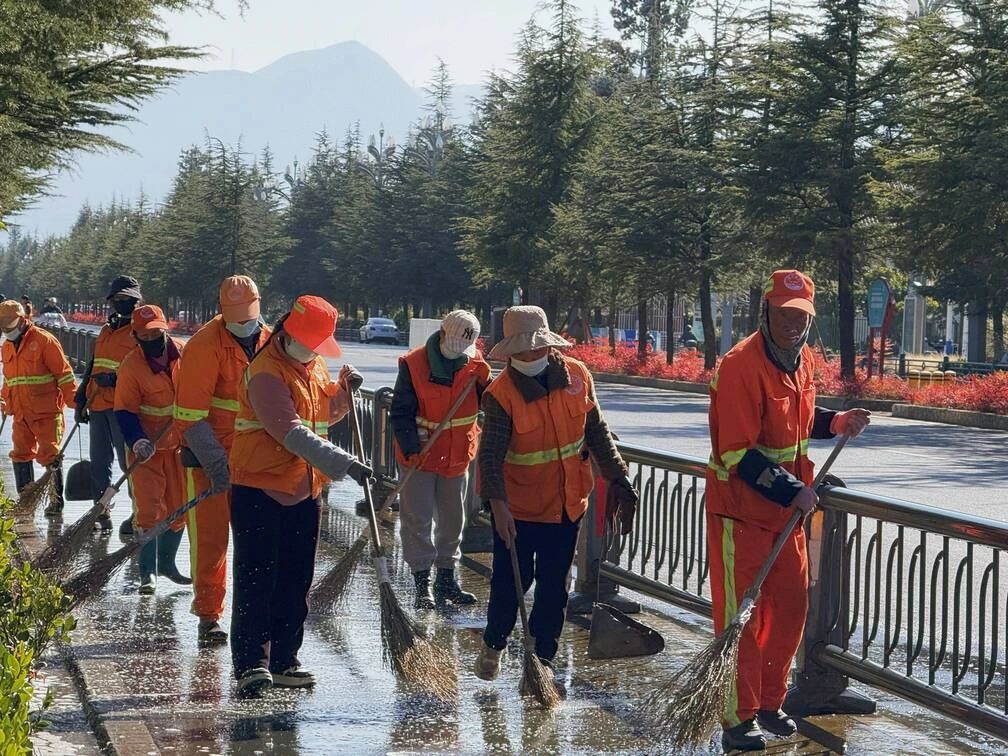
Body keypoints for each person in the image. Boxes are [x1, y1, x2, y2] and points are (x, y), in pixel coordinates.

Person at [706, 270, 871, 752]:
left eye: (800, 316)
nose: (792, 323)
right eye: (783, 314)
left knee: (790, 612)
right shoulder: (740, 366)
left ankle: (768, 705)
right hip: (741, 515)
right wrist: (791, 490)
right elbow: (737, 452)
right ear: (766, 312)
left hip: (785, 515)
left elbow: (799, 420)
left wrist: (838, 420)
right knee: (743, 622)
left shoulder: (800, 362)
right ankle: (737, 720)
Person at [474, 306, 638, 692]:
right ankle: (494, 644)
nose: (532, 356)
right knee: (512, 583)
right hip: (517, 510)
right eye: (523, 351)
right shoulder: (501, 395)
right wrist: (497, 506)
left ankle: (541, 662)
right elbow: (491, 458)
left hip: (567, 506)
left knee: (554, 588)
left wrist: (618, 477)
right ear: (510, 352)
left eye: (537, 348)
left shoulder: (577, 376)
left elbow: (597, 431)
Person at [228, 295, 369, 698]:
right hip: (259, 489)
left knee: (295, 579)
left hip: (305, 490)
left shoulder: (315, 366)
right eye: (309, 343)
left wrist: (345, 395)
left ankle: (285, 659)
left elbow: (320, 416)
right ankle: (251, 662)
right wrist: (345, 463)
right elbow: (290, 432)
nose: (313, 351)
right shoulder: (266, 372)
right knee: (257, 578)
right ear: (288, 331)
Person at [173, 276, 270, 645]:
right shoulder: (202, 346)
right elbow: (189, 417)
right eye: (236, 317)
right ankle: (209, 616)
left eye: (249, 315)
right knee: (211, 542)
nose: (244, 324)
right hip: (210, 460)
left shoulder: (271, 340)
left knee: (257, 542)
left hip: (259, 461)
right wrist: (217, 465)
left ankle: (251, 615)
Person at [390, 310, 491, 610]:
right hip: (420, 455)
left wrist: (486, 382)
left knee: (452, 520)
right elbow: (401, 412)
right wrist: (411, 447)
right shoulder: (413, 364)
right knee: (417, 519)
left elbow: (492, 402)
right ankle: (422, 584)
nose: (460, 351)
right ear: (444, 334)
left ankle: (446, 579)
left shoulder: (476, 367)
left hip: (458, 454)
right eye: (456, 343)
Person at [113, 304, 191, 595]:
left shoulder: (184, 355)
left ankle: (167, 564)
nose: (150, 340)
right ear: (135, 337)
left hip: (178, 446)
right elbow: (124, 410)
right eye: (143, 337)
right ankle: (147, 573)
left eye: (155, 334)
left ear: (165, 329)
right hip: (146, 448)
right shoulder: (132, 366)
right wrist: (137, 439)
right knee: (148, 511)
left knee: (180, 507)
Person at [74, 275, 143, 533]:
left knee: (130, 464)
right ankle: (101, 512)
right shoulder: (106, 329)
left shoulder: (141, 331)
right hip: (98, 404)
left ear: (135, 300)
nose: (120, 302)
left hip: (123, 407)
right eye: (116, 298)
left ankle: (140, 514)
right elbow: (93, 363)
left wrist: (116, 378)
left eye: (125, 298)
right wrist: (81, 395)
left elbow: (146, 367)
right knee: (99, 462)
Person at [0, 300, 76, 514]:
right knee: (20, 453)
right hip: (21, 412)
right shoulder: (6, 346)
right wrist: (4, 400)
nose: (7, 329)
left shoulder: (44, 340)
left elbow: (64, 374)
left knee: (49, 454)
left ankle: (55, 502)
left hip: (47, 411)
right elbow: (10, 380)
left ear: (23, 320)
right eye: (3, 325)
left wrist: (76, 403)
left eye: (10, 324)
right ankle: (26, 501)